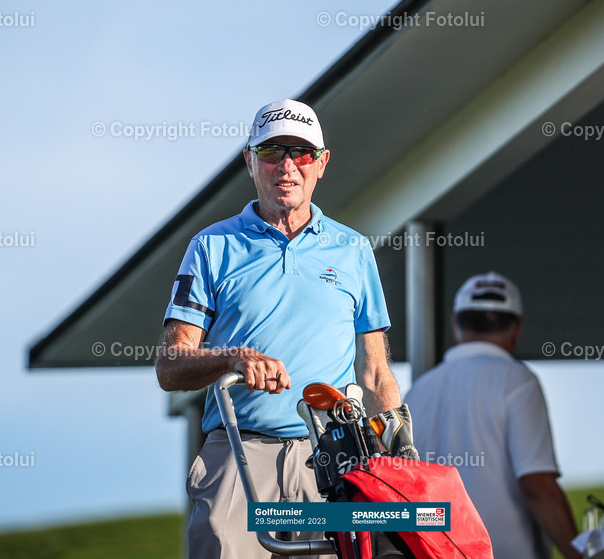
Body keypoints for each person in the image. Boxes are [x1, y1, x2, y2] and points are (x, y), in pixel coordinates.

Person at [155, 99, 404, 559]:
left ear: (322, 163)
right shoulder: (210, 246)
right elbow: (170, 367)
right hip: (239, 450)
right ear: (249, 160)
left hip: (334, 457)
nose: (287, 166)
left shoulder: (353, 250)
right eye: (271, 152)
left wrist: (398, 451)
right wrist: (233, 357)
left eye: (302, 153)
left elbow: (375, 374)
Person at [405, 272, 581, 559]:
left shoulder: (416, 393)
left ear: (456, 326)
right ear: (517, 329)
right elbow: (537, 487)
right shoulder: (517, 380)